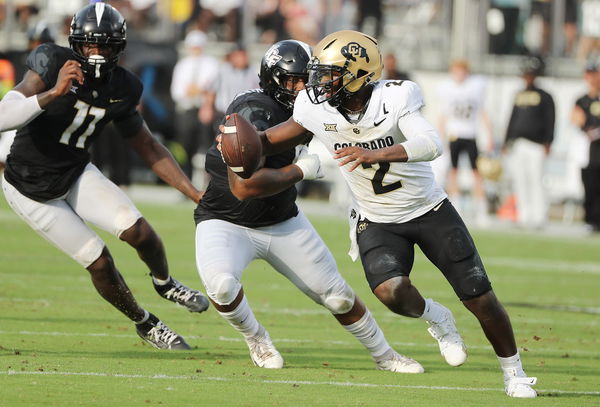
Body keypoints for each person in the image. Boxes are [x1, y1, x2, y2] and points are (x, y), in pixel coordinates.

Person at [235, 30, 537, 398]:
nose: (318, 82)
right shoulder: (316, 107)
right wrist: (245, 140)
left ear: (358, 74)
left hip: (428, 208)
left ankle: (514, 373)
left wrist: (373, 153)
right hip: (375, 216)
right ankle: (436, 317)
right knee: (391, 292)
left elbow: (431, 143)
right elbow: (282, 135)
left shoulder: (396, 97)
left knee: (479, 296)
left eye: (329, 73)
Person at [196, 39, 426, 373]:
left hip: (281, 220)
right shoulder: (255, 108)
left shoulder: (320, 108)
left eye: (309, 79)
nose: (304, 88)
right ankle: (256, 337)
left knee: (338, 296)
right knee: (222, 285)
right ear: (273, 79)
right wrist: (300, 170)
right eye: (294, 81)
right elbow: (244, 187)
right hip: (225, 219)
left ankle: (385, 354)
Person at [0, 2, 209, 350]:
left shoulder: (124, 86)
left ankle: (165, 282)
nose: (96, 53)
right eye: (89, 44)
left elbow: (147, 145)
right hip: (29, 187)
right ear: (75, 44)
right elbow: (3, 115)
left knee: (140, 231)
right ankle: (146, 323)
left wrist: (194, 192)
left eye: (104, 45)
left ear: (119, 48)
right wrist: (52, 93)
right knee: (99, 261)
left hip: (76, 172)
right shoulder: (51, 63)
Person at [437, 59, 494, 224]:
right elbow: (443, 115)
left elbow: (483, 112)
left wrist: (489, 136)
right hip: (454, 134)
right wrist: (440, 137)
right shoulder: (447, 89)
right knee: (453, 172)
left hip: (470, 134)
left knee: (477, 173)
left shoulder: (475, 87)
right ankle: (457, 208)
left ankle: (481, 211)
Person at [503, 56, 555, 230]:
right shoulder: (519, 94)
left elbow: (550, 119)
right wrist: (506, 140)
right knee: (520, 180)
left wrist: (549, 141)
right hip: (519, 144)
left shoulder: (545, 96)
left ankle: (539, 216)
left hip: (537, 144)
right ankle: (524, 216)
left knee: (536, 180)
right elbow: (512, 119)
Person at [170, 29, 220, 178]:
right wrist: (192, 91)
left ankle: (209, 182)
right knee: (185, 149)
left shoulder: (212, 64)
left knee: (208, 148)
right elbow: (176, 92)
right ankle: (185, 180)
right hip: (187, 110)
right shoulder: (182, 65)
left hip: (205, 110)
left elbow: (212, 88)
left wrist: (199, 92)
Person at [571, 59, 600, 232]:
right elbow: (576, 118)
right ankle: (590, 219)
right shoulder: (582, 100)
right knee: (589, 184)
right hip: (588, 148)